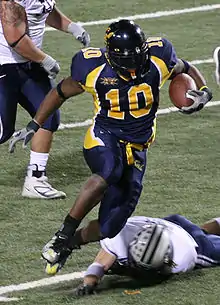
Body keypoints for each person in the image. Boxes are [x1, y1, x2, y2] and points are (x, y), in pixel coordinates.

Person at [10, 20, 212, 272]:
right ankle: (63, 233)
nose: (133, 69)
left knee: (110, 226)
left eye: (137, 59)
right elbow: (60, 92)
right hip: (104, 136)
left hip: (138, 147)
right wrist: (34, 124)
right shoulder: (93, 68)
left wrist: (202, 90)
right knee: (109, 170)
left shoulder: (158, 59)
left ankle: (68, 245)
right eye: (127, 63)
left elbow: (186, 67)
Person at [0, 0, 90, 199]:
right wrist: (45, 59)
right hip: (4, 64)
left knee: (47, 116)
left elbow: (44, 9)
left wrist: (71, 26)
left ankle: (35, 180)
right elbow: (14, 38)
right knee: (2, 131)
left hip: (29, 65)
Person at [73, 214, 220, 296]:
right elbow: (100, 263)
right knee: (199, 231)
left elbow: (158, 277)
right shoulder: (120, 238)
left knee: (207, 243)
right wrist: (88, 283)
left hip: (187, 237)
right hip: (172, 224)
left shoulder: (183, 257)